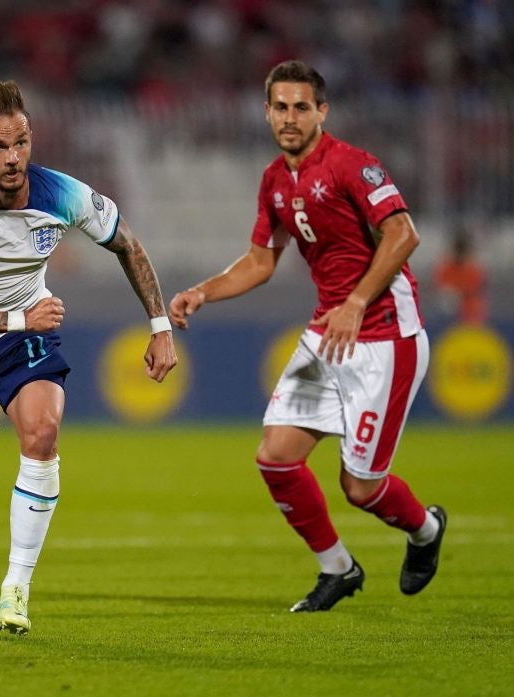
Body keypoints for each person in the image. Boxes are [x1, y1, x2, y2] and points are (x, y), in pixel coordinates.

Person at [169, 60, 447, 612]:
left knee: (360, 488)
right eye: (280, 107)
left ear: (322, 111)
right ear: (267, 112)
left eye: (301, 107)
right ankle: (337, 568)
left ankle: (425, 531)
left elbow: (403, 232)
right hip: (328, 333)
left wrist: (358, 301)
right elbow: (259, 261)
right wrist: (203, 291)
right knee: (275, 457)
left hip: (386, 336)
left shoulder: (352, 165)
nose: (290, 118)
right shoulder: (275, 179)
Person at [0, 80, 177, 634]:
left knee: (41, 432)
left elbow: (127, 243)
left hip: (23, 337)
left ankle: (15, 587)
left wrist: (160, 327)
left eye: (21, 143)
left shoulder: (62, 194)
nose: (13, 159)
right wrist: (18, 319)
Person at [433, 228, 487, 325]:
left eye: (463, 250)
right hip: (449, 317)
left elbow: (475, 289)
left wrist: (458, 293)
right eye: (458, 250)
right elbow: (440, 289)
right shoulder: (446, 268)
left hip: (471, 314)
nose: (460, 255)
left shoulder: (473, 268)